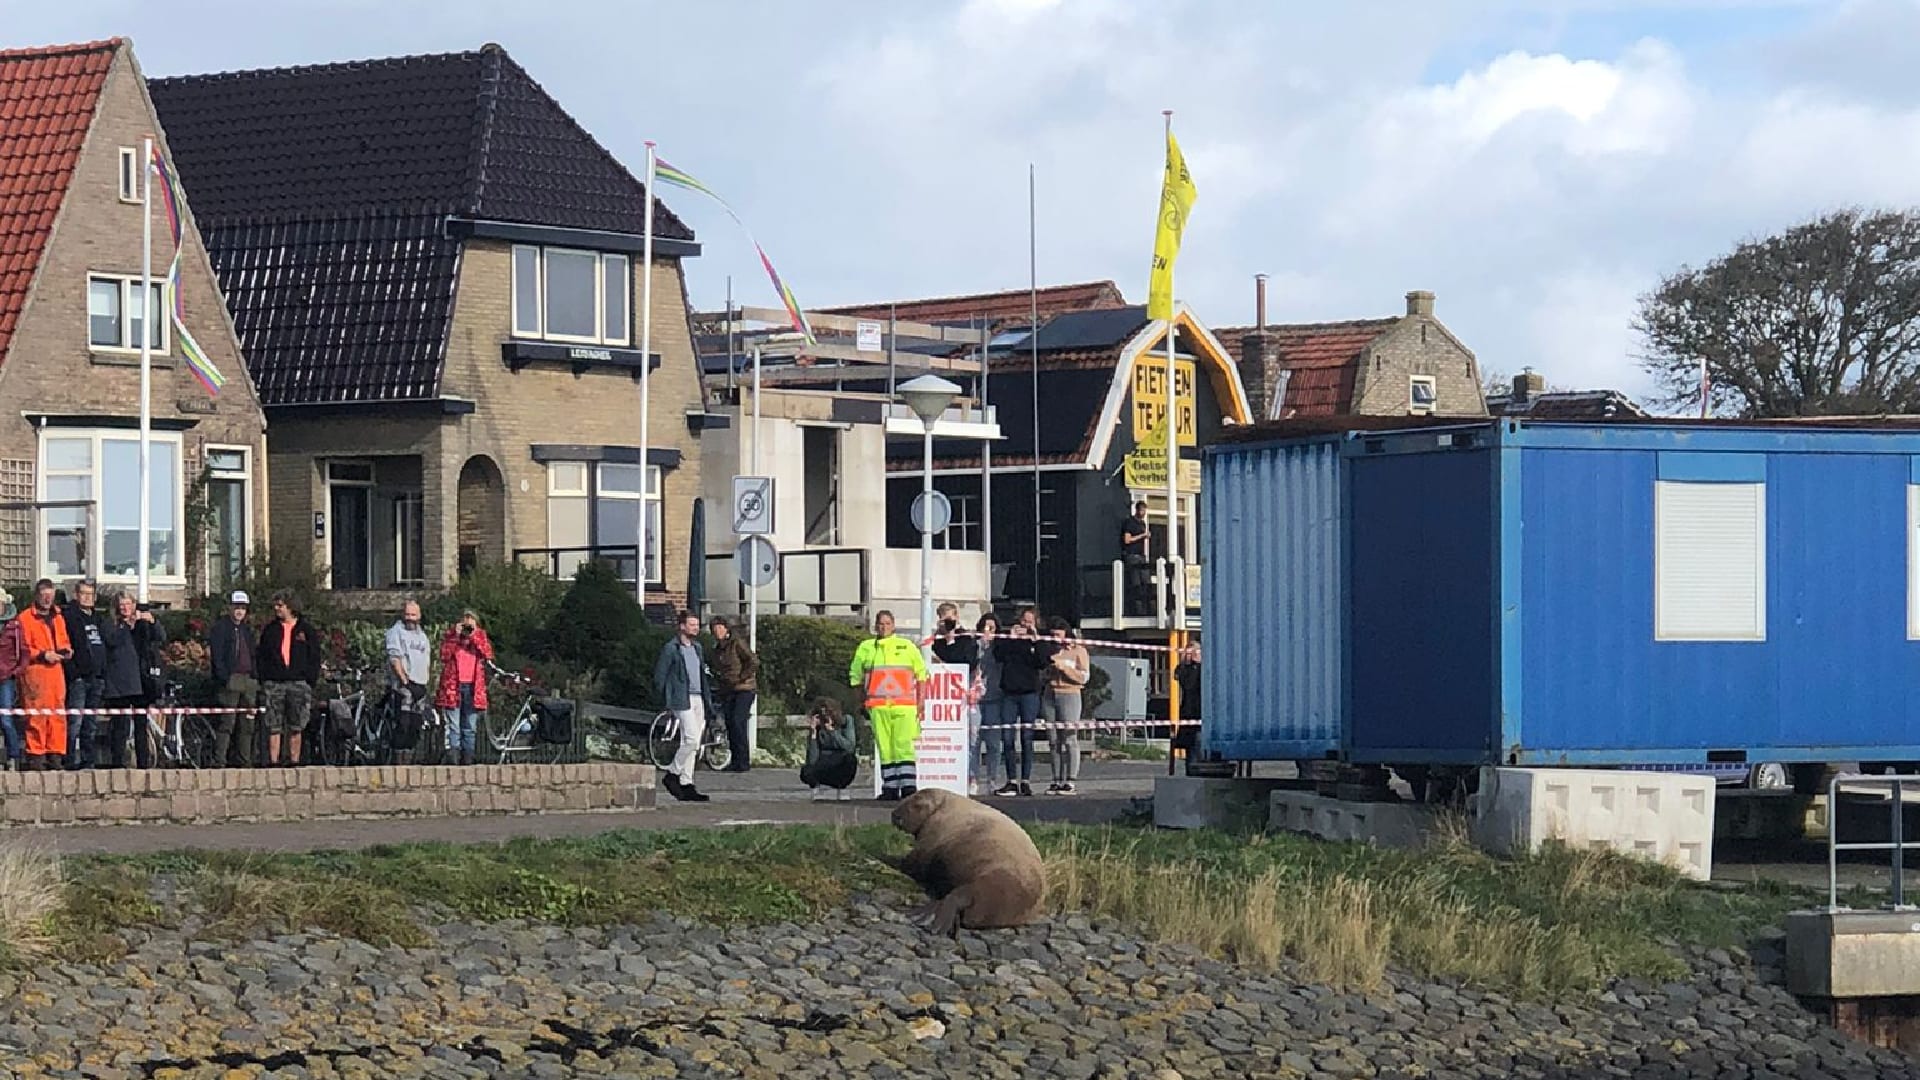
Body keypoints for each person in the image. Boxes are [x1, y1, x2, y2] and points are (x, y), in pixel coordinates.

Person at [849, 609, 928, 802]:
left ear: (894, 625)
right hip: (878, 706)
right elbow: (855, 677)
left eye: (887, 623)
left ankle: (909, 786)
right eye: (881, 623)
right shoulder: (866, 648)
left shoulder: (906, 646)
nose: (884, 627)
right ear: (876, 626)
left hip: (904, 705)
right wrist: (861, 703)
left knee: (903, 745)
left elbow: (921, 675)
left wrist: (921, 701)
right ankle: (890, 787)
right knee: (885, 749)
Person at [653, 610, 713, 802]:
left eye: (697, 624)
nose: (696, 628)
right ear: (682, 626)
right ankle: (673, 774)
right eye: (692, 624)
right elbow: (660, 675)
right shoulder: (671, 648)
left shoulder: (697, 648)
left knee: (694, 744)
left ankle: (687, 783)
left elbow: (701, 674)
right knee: (691, 738)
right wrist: (666, 698)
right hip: (681, 697)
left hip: (698, 697)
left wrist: (706, 697)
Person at [101, 593, 166, 769]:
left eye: (128, 604)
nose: (125, 608)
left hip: (141, 681)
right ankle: (117, 764)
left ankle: (143, 764)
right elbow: (112, 641)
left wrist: (152, 621)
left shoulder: (141, 624)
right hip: (119, 683)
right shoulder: (110, 624)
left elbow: (160, 637)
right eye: (121, 604)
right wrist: (126, 626)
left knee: (141, 725)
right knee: (119, 726)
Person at [255, 592, 321, 767]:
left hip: (298, 683)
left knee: (296, 725)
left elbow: (314, 657)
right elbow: (261, 656)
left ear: (290, 606)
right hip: (274, 683)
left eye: (280, 605)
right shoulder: (270, 630)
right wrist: (265, 678)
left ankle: (294, 760)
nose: (276, 609)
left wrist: (309, 680)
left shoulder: (306, 630)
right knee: (273, 725)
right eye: (275, 605)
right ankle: (273, 761)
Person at [991, 620, 1052, 797]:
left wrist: (1035, 639)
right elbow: (998, 656)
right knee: (1008, 738)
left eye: (1029, 622)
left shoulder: (1036, 643)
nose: (1026, 625)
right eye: (1023, 622)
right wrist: (1010, 638)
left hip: (1029, 694)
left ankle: (1025, 780)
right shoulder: (1010, 643)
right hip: (1009, 693)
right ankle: (1011, 780)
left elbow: (1042, 662)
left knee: (1027, 738)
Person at [17, 579, 72, 771]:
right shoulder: (25, 619)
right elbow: (22, 649)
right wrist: (42, 654)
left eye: (51, 595)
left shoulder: (58, 617)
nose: (48, 599)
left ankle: (56, 755)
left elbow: (63, 639)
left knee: (57, 714)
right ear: (37, 596)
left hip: (56, 672)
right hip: (36, 672)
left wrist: (65, 650)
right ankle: (36, 756)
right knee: (36, 715)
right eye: (44, 595)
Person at [434, 610, 493, 766]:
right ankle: (453, 759)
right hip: (453, 687)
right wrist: (455, 636)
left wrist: (473, 635)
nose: (467, 624)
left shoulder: (480, 637)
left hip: (473, 688)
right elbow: (444, 655)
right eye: (464, 620)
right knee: (454, 726)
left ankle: (468, 760)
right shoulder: (451, 636)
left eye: (471, 620)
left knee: (470, 726)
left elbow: (488, 654)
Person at [209, 591, 259, 768]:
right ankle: (220, 760)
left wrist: (255, 675)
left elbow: (254, 654)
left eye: (243, 608)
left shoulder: (247, 630)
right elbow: (217, 656)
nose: (239, 611)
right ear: (229, 607)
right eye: (236, 607)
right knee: (227, 722)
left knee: (248, 724)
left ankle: (245, 761)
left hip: (248, 680)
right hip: (231, 680)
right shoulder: (221, 628)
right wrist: (224, 677)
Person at [60, 579, 106, 770]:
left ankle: (88, 760)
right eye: (84, 593)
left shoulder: (99, 619)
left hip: (97, 678)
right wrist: (74, 673)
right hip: (79, 678)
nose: (87, 597)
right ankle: (69, 760)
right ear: (76, 596)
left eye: (91, 594)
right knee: (74, 722)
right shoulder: (69, 616)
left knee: (90, 723)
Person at [1043, 618, 1091, 795]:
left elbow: (1084, 678)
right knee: (1053, 739)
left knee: (1070, 738)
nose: (1055, 638)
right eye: (1052, 635)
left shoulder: (1079, 651)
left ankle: (1070, 779)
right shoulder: (1051, 650)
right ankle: (1056, 779)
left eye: (1058, 634)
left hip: (1070, 693)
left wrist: (1064, 668)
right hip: (1050, 693)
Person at [708, 616, 758, 774]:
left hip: (744, 688)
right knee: (730, 723)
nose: (717, 633)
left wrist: (742, 677)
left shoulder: (736, 643)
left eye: (719, 629)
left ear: (726, 629)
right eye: (714, 630)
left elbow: (753, 661)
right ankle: (736, 760)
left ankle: (743, 761)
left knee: (738, 721)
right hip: (728, 690)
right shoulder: (717, 650)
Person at [385, 600, 432, 765]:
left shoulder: (423, 637)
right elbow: (394, 658)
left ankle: (409, 764)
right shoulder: (395, 632)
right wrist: (404, 681)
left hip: (420, 684)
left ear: (419, 616)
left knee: (415, 725)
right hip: (403, 685)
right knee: (403, 724)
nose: (410, 618)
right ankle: (398, 764)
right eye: (407, 614)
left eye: (413, 615)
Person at [969, 614, 1005, 796]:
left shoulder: (1000, 647)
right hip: (975, 699)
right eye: (985, 627)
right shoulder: (973, 645)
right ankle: (972, 779)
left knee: (993, 743)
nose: (988, 631)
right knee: (973, 742)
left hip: (994, 698)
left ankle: (992, 780)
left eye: (992, 628)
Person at [801, 697, 858, 801]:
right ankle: (817, 788)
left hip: (840, 761)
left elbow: (849, 747)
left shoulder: (846, 721)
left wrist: (832, 732)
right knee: (806, 770)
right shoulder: (818, 728)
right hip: (824, 761)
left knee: (850, 759)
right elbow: (812, 760)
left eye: (827, 713)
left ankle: (842, 786)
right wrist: (813, 734)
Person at [0, 596, 27, 770]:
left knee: (6, 719)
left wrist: (16, 672)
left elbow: (24, 652)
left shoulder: (14, 626)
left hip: (6, 678)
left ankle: (14, 757)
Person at [1172, 641, 1203, 760]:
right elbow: (1187, 684)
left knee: (1199, 741)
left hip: (1201, 712)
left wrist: (1198, 664)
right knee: (1191, 743)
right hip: (1189, 711)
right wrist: (1191, 664)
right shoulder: (1184, 669)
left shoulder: (1204, 668)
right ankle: (1192, 766)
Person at [1121, 501, 1151, 616]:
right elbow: (1127, 540)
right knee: (1136, 583)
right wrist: (1142, 536)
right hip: (1132, 555)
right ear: (1137, 510)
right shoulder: (1129, 522)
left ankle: (1147, 609)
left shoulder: (1143, 524)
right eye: (1142, 510)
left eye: (1145, 511)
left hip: (1141, 555)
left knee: (1146, 583)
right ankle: (1138, 611)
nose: (1143, 513)